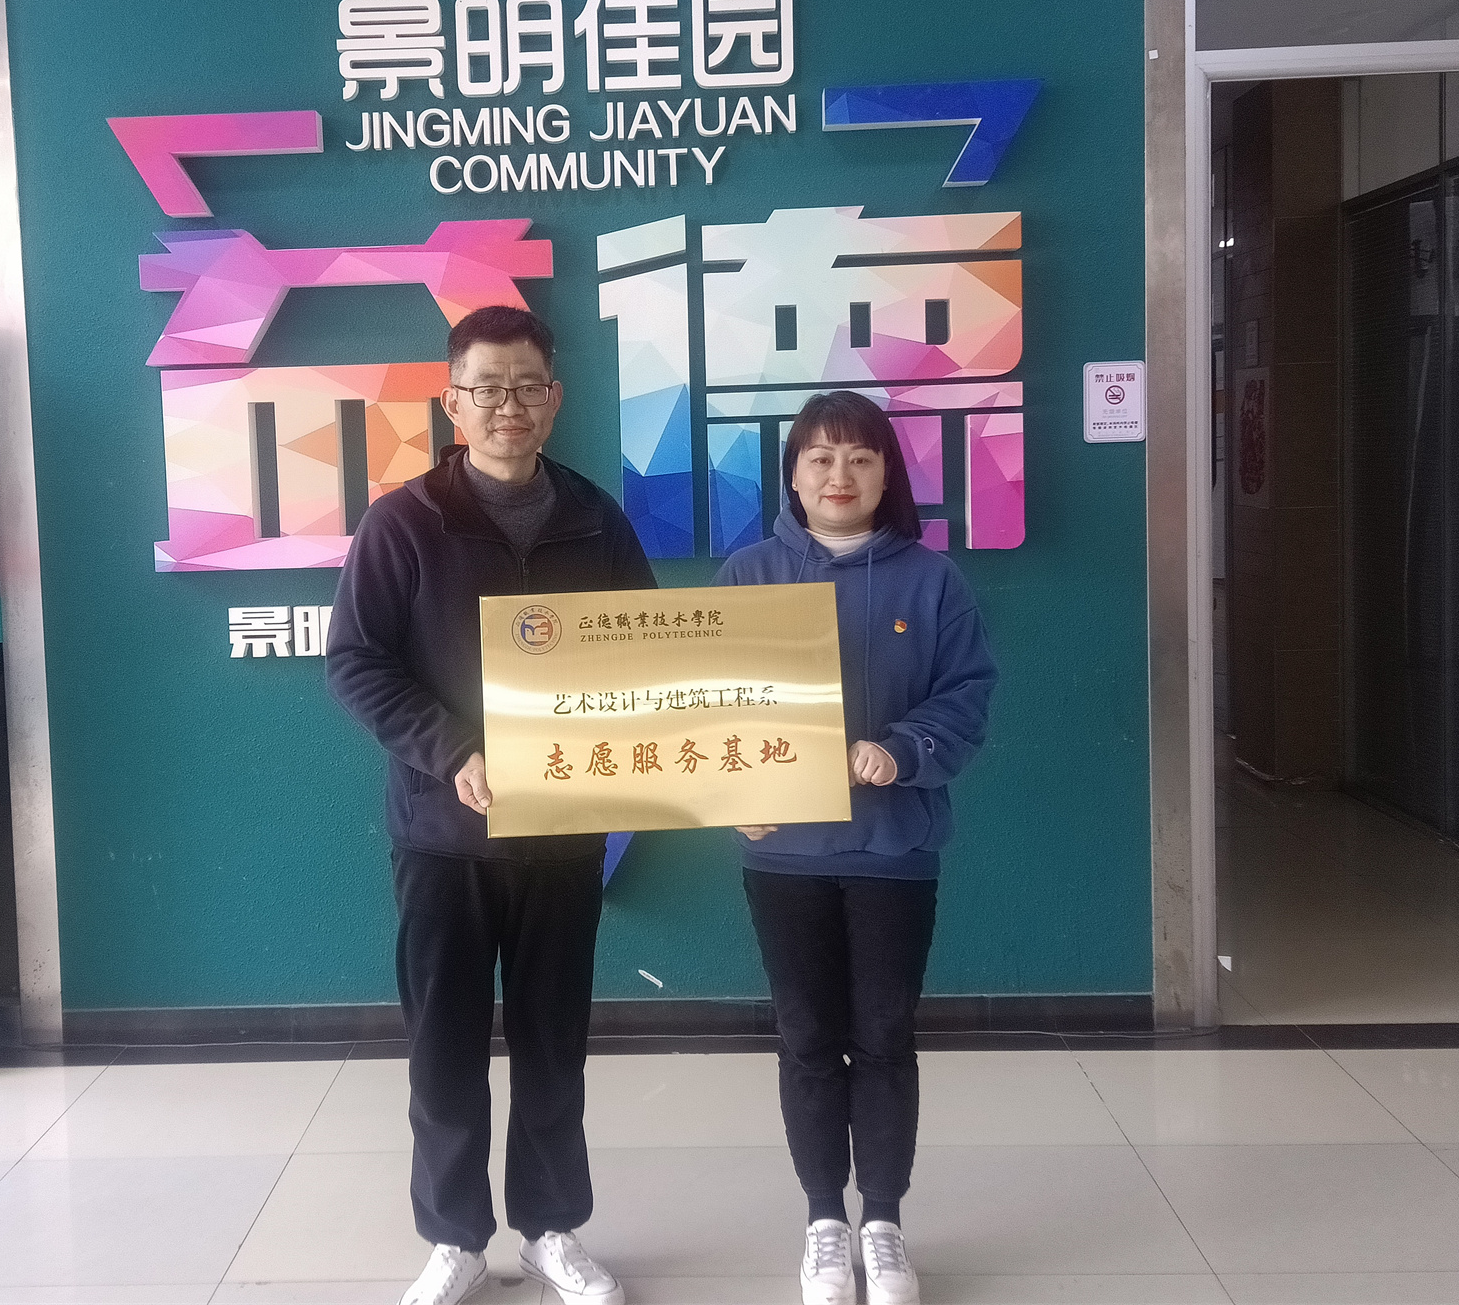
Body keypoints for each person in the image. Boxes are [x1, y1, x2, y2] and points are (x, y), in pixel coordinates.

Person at [327, 305, 653, 1305]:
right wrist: (453, 751)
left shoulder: (596, 518)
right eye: (486, 388)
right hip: (443, 837)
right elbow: (355, 663)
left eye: (526, 387)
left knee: (555, 1044)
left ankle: (552, 1229)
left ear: (555, 398)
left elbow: (650, 651)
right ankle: (455, 1238)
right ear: (453, 401)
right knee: (445, 1053)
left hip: (562, 835)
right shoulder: (405, 522)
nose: (507, 406)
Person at [712, 390, 998, 1305]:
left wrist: (903, 749)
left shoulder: (933, 580)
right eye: (821, 458)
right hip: (783, 855)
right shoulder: (748, 575)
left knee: (882, 1035)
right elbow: (710, 702)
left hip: (891, 850)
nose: (841, 475)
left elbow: (966, 695)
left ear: (887, 474)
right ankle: (823, 1223)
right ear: (793, 475)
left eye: (862, 458)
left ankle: (882, 1221)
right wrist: (727, 792)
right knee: (805, 1036)